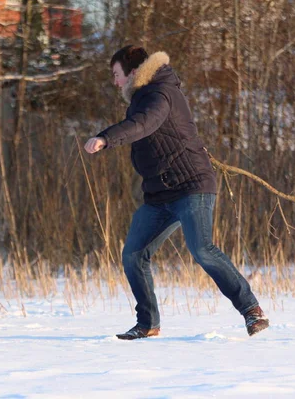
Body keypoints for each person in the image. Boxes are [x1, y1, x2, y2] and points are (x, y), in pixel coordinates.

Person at [84, 45, 269, 340]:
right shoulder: (142, 97)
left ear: (132, 72)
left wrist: (106, 138)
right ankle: (147, 324)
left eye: (116, 75)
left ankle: (251, 310)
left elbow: (144, 124)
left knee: (202, 249)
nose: (115, 82)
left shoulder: (160, 94)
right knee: (133, 254)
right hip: (159, 195)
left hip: (191, 185)